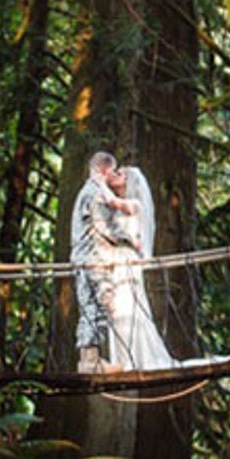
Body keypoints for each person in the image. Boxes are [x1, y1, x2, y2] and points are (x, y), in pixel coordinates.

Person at [102, 165, 179, 371]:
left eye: (120, 174)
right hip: (115, 262)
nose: (115, 175)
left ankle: (132, 359)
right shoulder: (116, 207)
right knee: (115, 310)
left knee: (127, 307)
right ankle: (121, 359)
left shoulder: (134, 205)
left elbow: (132, 237)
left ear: (129, 182)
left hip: (126, 262)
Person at [70, 151, 136, 374]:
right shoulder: (96, 194)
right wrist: (130, 240)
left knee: (88, 307)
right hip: (94, 258)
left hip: (83, 258)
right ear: (104, 170)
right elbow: (104, 226)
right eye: (112, 171)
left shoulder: (85, 192)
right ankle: (92, 361)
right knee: (100, 305)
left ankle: (88, 360)